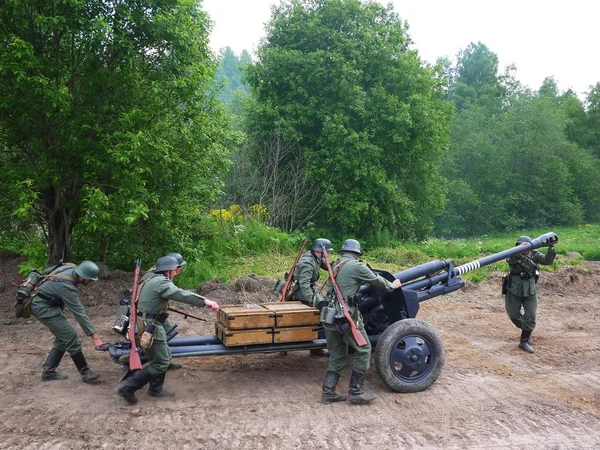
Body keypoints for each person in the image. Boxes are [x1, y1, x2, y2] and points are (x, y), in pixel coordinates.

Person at [117, 256, 220, 404]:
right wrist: (205, 301)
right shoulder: (160, 282)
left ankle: (156, 388)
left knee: (162, 351)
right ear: (168, 270)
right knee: (161, 362)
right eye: (177, 269)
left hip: (146, 321)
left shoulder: (151, 277)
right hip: (149, 324)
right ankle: (128, 388)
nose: (178, 272)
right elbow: (180, 294)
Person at [321, 239, 401, 405]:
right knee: (364, 349)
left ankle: (328, 392)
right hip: (347, 316)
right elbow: (377, 281)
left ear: (343, 252)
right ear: (357, 254)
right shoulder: (356, 266)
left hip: (329, 316)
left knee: (337, 353)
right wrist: (392, 285)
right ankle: (356, 392)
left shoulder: (336, 265)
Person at [30, 260, 104, 384]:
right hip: (42, 308)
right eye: (90, 280)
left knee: (63, 337)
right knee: (71, 337)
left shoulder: (69, 267)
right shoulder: (67, 286)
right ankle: (85, 372)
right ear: (82, 277)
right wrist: (94, 336)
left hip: (48, 304)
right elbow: (79, 313)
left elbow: (45, 272)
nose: (91, 283)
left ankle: (48, 372)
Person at [505, 236, 556, 353]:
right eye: (520, 245)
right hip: (514, 289)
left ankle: (524, 340)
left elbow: (548, 261)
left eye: (525, 245)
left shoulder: (534, 254)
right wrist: (518, 251)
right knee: (514, 316)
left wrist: (551, 247)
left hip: (530, 289)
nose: (523, 247)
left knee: (531, 316)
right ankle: (527, 329)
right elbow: (510, 260)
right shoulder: (512, 254)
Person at [290, 238, 333, 357]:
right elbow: (304, 284)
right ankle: (315, 347)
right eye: (327, 251)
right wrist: (312, 300)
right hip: (302, 295)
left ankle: (315, 347)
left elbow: (329, 266)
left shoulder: (316, 258)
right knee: (320, 315)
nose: (328, 253)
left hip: (307, 291)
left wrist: (342, 264)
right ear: (321, 250)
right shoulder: (308, 262)